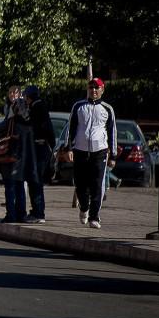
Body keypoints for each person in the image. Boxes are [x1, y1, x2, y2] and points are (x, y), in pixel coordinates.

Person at [67, 78, 117, 230]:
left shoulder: (107, 109)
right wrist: (68, 148)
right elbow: (71, 128)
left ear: (102, 90)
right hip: (80, 150)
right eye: (91, 87)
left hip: (100, 151)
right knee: (80, 184)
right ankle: (84, 208)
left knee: (97, 185)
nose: (93, 90)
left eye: (97, 88)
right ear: (87, 89)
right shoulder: (78, 106)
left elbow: (112, 131)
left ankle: (94, 216)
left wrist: (113, 155)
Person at [0, 97, 34, 223]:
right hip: (23, 160)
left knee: (10, 187)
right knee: (20, 187)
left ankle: (11, 214)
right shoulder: (30, 123)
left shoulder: (11, 121)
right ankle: (21, 214)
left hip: (10, 158)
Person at [23, 85, 53, 224]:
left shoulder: (36, 108)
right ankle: (38, 211)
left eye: (25, 97)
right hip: (43, 148)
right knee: (36, 181)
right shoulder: (42, 106)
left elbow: (32, 127)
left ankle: (38, 213)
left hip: (38, 149)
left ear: (29, 97)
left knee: (35, 182)